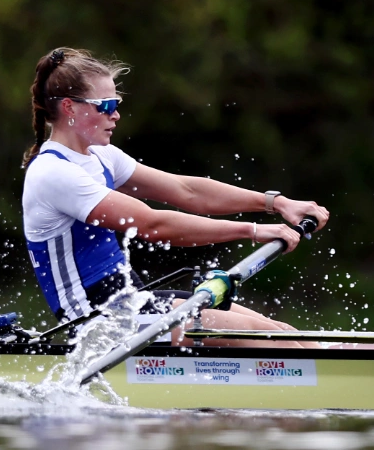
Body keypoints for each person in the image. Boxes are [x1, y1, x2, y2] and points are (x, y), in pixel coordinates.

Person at [21, 48, 330, 347]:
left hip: (131, 302)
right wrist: (252, 230)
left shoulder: (102, 156)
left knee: (283, 332)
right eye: (106, 105)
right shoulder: (53, 173)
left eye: (117, 103)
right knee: (264, 338)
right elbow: (152, 225)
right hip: (96, 323)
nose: (115, 114)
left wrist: (276, 203)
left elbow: (187, 191)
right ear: (69, 107)